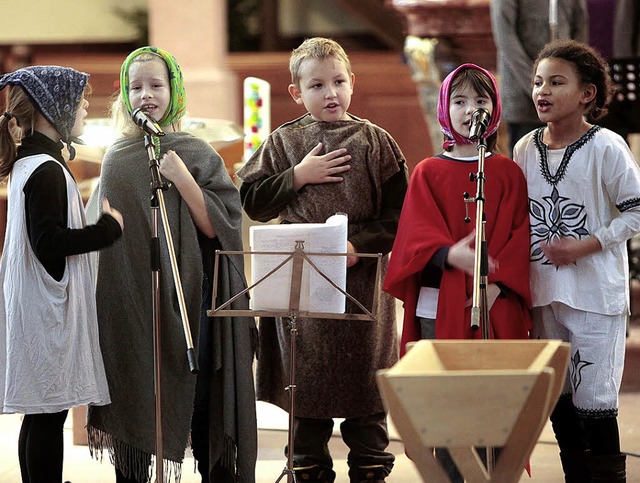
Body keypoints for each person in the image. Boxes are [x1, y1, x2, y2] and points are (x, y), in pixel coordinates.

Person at [236, 37, 408, 483]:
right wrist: (297, 176)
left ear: (352, 82)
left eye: (337, 82)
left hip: (362, 291)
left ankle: (370, 468)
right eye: (316, 85)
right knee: (305, 400)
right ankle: (307, 467)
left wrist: (359, 242)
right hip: (304, 298)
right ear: (297, 92)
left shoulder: (377, 142)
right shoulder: (284, 141)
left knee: (365, 399)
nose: (329, 93)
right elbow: (253, 200)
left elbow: (401, 216)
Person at [85, 46, 258, 483]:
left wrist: (182, 179)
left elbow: (221, 228)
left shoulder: (197, 152)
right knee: (137, 391)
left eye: (156, 85)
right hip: (133, 304)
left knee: (198, 394)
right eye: (136, 86)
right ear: (125, 95)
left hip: (191, 299)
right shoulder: (117, 158)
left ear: (173, 91)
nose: (146, 95)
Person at [383, 63, 532, 482]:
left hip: (495, 304)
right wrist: (449, 255)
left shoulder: (507, 173)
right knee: (449, 409)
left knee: (497, 404)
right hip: (439, 308)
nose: (471, 110)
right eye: (460, 101)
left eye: (481, 100)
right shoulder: (427, 173)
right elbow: (412, 241)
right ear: (445, 108)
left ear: (495, 108)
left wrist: (499, 284)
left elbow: (520, 235)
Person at [514, 39, 640, 481]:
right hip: (543, 294)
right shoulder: (525, 148)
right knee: (560, 405)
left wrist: (585, 244)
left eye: (555, 81)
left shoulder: (606, 146)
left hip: (594, 297)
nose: (541, 90)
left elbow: (638, 209)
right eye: (537, 81)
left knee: (595, 407)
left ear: (587, 93)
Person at [0, 65, 124, 482]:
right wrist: (106, 231)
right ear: (54, 108)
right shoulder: (47, 170)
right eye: (81, 98)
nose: (87, 105)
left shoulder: (31, 161)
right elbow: (48, 243)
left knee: (39, 414)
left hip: (33, 306)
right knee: (48, 415)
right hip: (45, 311)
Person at [490, 0, 588, 156]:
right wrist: (537, 86)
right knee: (525, 167)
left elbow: (579, 34)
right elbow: (506, 39)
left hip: (564, 98)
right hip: (523, 96)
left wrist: (570, 84)